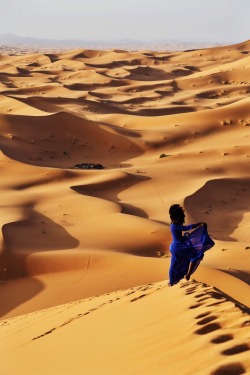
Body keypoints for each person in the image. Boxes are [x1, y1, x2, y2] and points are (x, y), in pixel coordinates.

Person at [168, 204, 215, 286]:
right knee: (195, 254)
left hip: (177, 246)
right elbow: (186, 228)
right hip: (179, 247)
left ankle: (173, 281)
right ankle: (187, 275)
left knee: (176, 263)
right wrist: (198, 224)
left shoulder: (173, 225)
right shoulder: (174, 226)